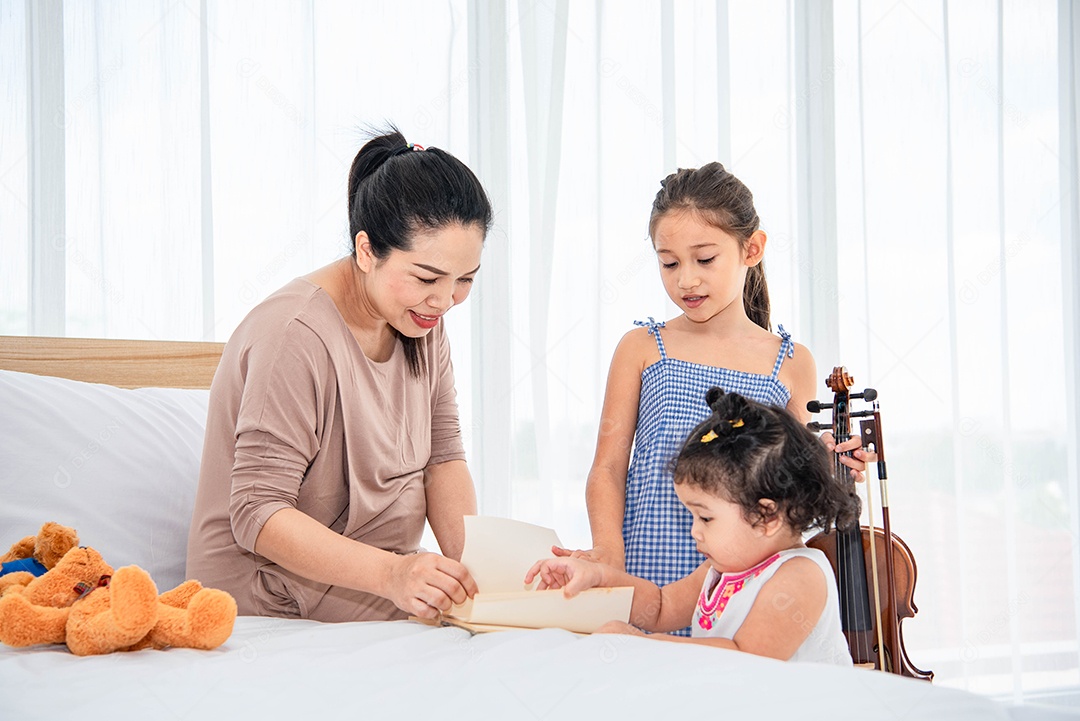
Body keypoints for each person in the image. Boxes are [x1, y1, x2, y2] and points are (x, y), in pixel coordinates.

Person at [186, 129, 490, 622]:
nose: (446, 299)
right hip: (272, 600)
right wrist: (393, 576)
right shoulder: (292, 335)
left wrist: (478, 569)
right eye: (428, 277)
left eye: (466, 279)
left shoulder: (418, 317)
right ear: (366, 250)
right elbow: (257, 511)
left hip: (374, 585)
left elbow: (443, 460)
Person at [573, 163, 865, 633]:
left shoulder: (791, 363)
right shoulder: (643, 348)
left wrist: (830, 466)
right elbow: (607, 468)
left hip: (740, 587)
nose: (685, 280)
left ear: (751, 249)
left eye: (704, 259)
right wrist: (609, 556)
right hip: (647, 576)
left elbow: (786, 492)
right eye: (669, 263)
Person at [527, 388, 859, 664]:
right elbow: (659, 606)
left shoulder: (800, 575)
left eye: (706, 517)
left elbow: (746, 660)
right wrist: (597, 577)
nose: (694, 531)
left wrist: (643, 646)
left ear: (767, 517)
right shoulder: (724, 568)